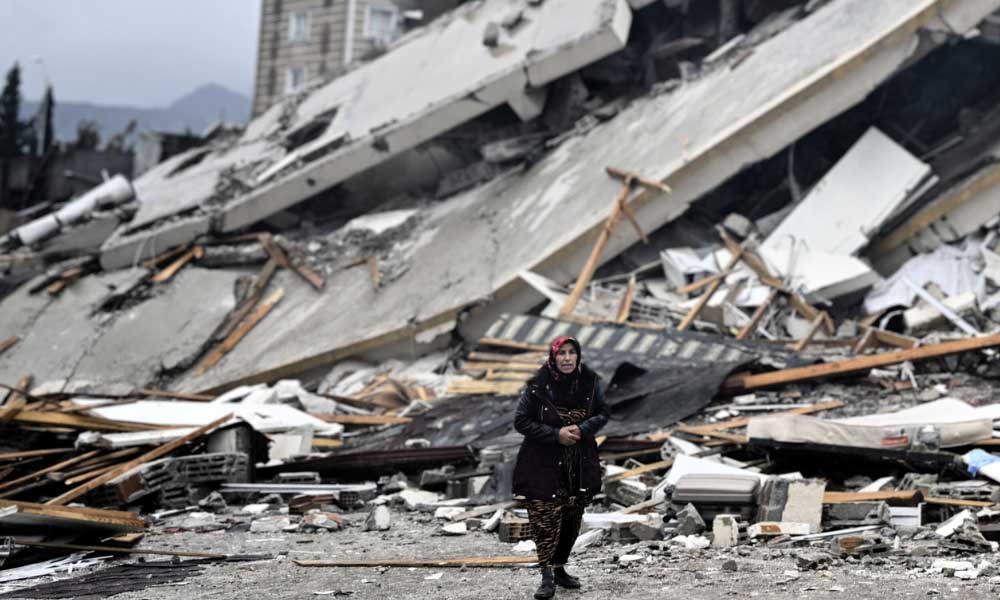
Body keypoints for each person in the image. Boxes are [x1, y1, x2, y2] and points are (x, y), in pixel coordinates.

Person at [512, 335, 609, 599]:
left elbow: (602, 413)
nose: (566, 358)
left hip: (578, 463)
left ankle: (560, 567)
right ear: (553, 357)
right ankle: (546, 576)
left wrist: (582, 428)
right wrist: (556, 435)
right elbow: (520, 421)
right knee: (544, 519)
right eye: (561, 353)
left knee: (571, 517)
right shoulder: (537, 387)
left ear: (578, 356)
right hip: (543, 465)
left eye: (571, 353)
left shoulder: (590, 383)